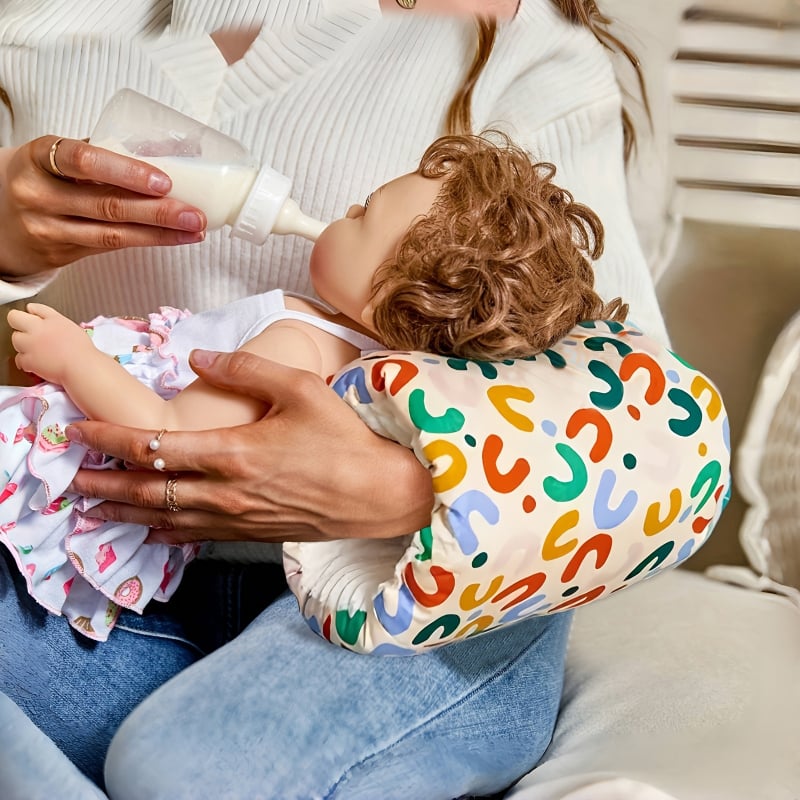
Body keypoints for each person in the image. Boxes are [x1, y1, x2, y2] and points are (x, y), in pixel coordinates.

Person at [0, 1, 667, 798]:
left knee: (183, 769)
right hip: (122, 573)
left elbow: (638, 413)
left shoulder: (517, 49)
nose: (348, 214)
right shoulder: (40, 27)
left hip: (403, 591)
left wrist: (408, 487)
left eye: (364, 215)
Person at [2, 131, 625, 642]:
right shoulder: (368, 364)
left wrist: (74, 360)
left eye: (365, 215)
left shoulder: (298, 343)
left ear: (400, 291)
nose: (348, 209)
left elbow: (168, 437)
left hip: (71, 474)